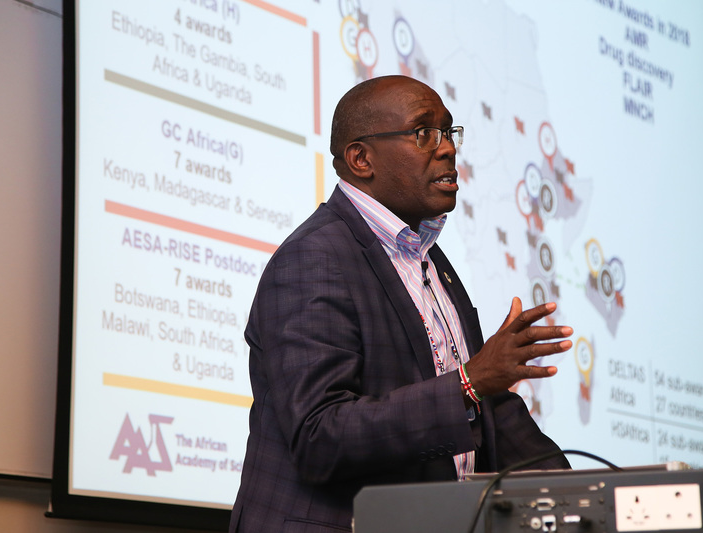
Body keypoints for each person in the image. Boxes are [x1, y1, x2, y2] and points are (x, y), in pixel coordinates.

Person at [229, 75, 573, 533]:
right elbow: (319, 435)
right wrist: (469, 383)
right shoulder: (314, 257)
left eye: (449, 132)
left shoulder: (430, 262)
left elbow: (485, 409)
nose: (448, 148)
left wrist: (590, 498)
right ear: (361, 158)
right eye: (423, 133)